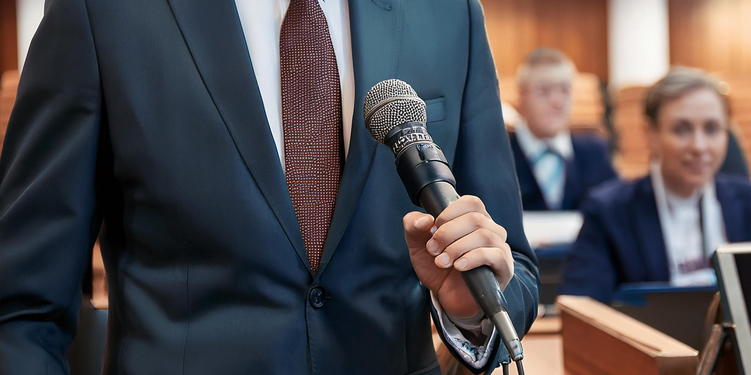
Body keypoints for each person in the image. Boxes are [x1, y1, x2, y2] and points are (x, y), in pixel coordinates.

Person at [0, 0, 539, 374]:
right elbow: (22, 305)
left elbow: (513, 266)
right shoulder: (101, 13)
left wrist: (470, 312)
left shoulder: (451, 15)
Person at [559, 67, 751, 303]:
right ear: (650, 134)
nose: (699, 146)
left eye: (712, 129)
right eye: (681, 129)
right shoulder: (608, 212)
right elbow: (581, 310)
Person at [508, 48, 617, 211]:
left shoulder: (596, 152)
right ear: (521, 96)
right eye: (543, 91)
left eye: (565, 90)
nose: (557, 101)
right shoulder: (500, 155)